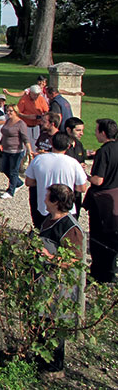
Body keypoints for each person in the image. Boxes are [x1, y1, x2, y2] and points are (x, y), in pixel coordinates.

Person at [38, 184, 84, 377]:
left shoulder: (70, 228)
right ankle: (41, 359)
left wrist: (49, 257)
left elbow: (74, 260)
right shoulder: (49, 219)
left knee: (55, 325)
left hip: (60, 286)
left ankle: (54, 368)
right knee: (42, 321)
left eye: (47, 196)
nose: (44, 199)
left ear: (56, 202)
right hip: (46, 282)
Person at [25, 132, 88, 229]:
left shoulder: (38, 160)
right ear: (68, 146)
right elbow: (82, 188)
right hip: (66, 209)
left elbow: (29, 182)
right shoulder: (74, 163)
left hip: (44, 206)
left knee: (42, 232)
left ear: (51, 143)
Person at [83, 118, 118, 282]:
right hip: (114, 197)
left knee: (98, 238)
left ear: (103, 133)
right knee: (112, 236)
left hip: (101, 199)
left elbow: (98, 180)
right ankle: (111, 270)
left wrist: (85, 175)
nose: (95, 134)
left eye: (97, 130)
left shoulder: (104, 152)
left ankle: (99, 273)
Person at [0, 104, 34, 199]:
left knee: (13, 171)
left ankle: (11, 191)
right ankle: (18, 183)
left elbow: (25, 138)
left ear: (16, 112)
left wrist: (29, 150)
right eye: (7, 111)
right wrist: (0, 143)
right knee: (4, 168)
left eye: (11, 111)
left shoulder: (21, 124)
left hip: (16, 151)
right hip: (6, 149)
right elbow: (4, 134)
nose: (8, 112)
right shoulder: (8, 121)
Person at [64, 117, 87, 217]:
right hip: (64, 187)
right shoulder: (62, 145)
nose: (81, 133)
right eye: (78, 130)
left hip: (76, 188)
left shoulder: (79, 145)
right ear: (68, 130)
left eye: (82, 130)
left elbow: (82, 161)